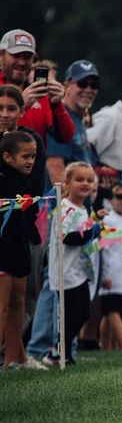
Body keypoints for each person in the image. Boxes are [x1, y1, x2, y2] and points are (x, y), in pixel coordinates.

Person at [43, 162, 103, 367]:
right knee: (70, 315)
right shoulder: (64, 207)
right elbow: (68, 237)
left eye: (89, 180)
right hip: (65, 271)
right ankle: (59, 352)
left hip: (80, 270)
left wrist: (95, 223)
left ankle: (64, 351)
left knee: (83, 313)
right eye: (79, 179)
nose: (85, 183)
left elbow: (82, 229)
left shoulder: (83, 207)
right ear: (67, 183)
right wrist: (91, 233)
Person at [0, 130, 38, 369]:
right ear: (7, 157)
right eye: (25, 156)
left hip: (20, 244)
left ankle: (15, 358)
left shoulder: (26, 180)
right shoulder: (3, 179)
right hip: (3, 249)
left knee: (18, 302)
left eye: (33, 156)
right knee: (1, 308)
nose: (31, 161)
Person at [1, 29, 73, 150]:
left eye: (27, 57)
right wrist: (20, 105)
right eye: (16, 55)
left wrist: (57, 104)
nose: (22, 62)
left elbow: (65, 137)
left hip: (32, 167)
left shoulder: (39, 93)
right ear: (1, 55)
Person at [96, 182, 122, 353]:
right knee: (113, 310)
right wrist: (104, 275)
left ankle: (106, 347)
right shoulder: (108, 219)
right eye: (120, 196)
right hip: (111, 273)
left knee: (111, 312)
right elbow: (102, 249)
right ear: (111, 200)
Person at [45, 60, 99, 186]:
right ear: (66, 86)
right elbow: (55, 167)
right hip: (63, 203)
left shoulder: (77, 118)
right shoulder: (60, 117)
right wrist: (67, 205)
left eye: (94, 85)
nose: (88, 89)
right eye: (82, 83)